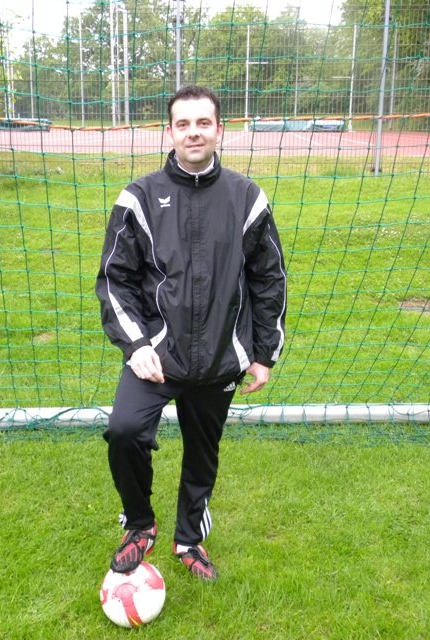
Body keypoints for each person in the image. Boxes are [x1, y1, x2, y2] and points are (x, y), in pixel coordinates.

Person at [95, 85, 287, 582]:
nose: (194, 132)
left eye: (203, 123)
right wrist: (137, 345)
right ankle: (140, 524)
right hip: (157, 355)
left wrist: (263, 353)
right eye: (184, 124)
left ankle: (188, 539)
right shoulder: (138, 198)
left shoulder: (247, 197)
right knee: (124, 431)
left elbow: (269, 279)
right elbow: (115, 279)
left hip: (221, 355)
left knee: (203, 453)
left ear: (220, 130)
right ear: (170, 132)